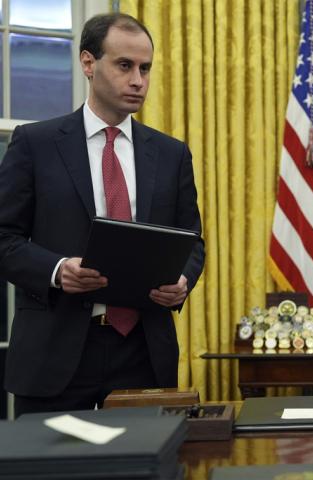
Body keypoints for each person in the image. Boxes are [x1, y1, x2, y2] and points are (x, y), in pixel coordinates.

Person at [0, 13, 205, 416]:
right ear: (89, 63)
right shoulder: (34, 144)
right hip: (54, 348)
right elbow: (4, 237)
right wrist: (57, 269)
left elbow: (192, 241)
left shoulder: (171, 153)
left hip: (143, 350)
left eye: (145, 68)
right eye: (125, 65)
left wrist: (183, 280)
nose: (138, 80)